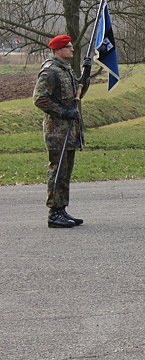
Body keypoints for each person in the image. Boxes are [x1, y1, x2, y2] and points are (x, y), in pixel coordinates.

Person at [33, 34, 84, 228]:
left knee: (65, 171)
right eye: (68, 47)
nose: (72, 49)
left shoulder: (66, 70)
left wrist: (83, 82)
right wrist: (64, 112)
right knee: (58, 170)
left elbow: (73, 96)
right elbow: (39, 99)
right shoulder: (50, 71)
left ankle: (61, 209)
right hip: (57, 131)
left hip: (68, 131)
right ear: (58, 50)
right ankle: (54, 213)